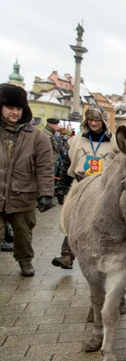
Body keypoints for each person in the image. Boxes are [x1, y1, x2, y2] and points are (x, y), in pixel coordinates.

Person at [52, 106, 117, 270]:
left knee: (102, 222)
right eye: (90, 119)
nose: (93, 123)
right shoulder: (77, 140)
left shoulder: (115, 142)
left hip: (103, 187)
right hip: (80, 184)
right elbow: (67, 164)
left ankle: (103, 258)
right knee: (72, 219)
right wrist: (61, 186)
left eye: (97, 120)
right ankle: (67, 255)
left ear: (103, 121)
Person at [0, 83, 54, 277]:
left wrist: (46, 193)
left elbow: (45, 167)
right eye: (10, 108)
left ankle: (25, 261)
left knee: (23, 234)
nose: (14, 112)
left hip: (22, 194)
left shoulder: (37, 136)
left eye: (18, 108)